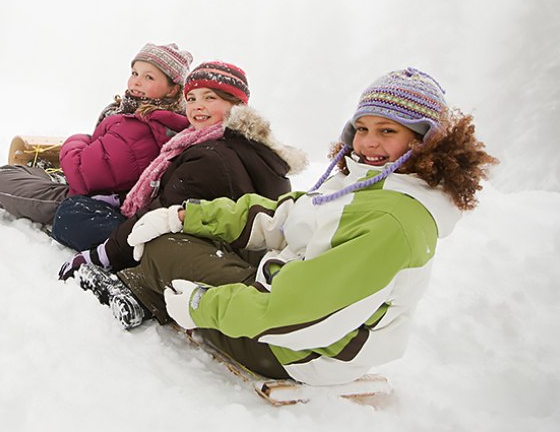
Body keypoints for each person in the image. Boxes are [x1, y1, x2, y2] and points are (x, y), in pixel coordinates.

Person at [93, 67, 497, 385]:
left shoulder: (393, 218)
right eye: (362, 129)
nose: (368, 143)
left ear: (425, 141)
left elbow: (300, 314)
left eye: (387, 131)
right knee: (191, 234)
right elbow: (285, 216)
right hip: (293, 305)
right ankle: (151, 283)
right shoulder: (364, 185)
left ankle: (148, 289)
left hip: (300, 350)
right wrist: (185, 215)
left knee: (168, 249)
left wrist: (201, 305)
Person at [54, 61, 307, 285]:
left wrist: (102, 255)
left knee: (71, 215)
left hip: (200, 251)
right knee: (83, 209)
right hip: (218, 242)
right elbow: (172, 194)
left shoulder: (211, 155)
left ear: (237, 105)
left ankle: (137, 282)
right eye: (193, 98)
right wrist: (121, 199)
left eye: (210, 98)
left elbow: (161, 216)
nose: (197, 107)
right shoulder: (238, 143)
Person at [0, 43, 192, 225]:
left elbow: (83, 176)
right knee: (24, 174)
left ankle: (48, 173)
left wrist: (78, 140)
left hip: (88, 203)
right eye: (135, 73)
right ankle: (48, 172)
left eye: (149, 77)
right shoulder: (157, 119)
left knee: (1, 179)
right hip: (101, 188)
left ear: (172, 90)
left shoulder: (143, 125)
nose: (136, 82)